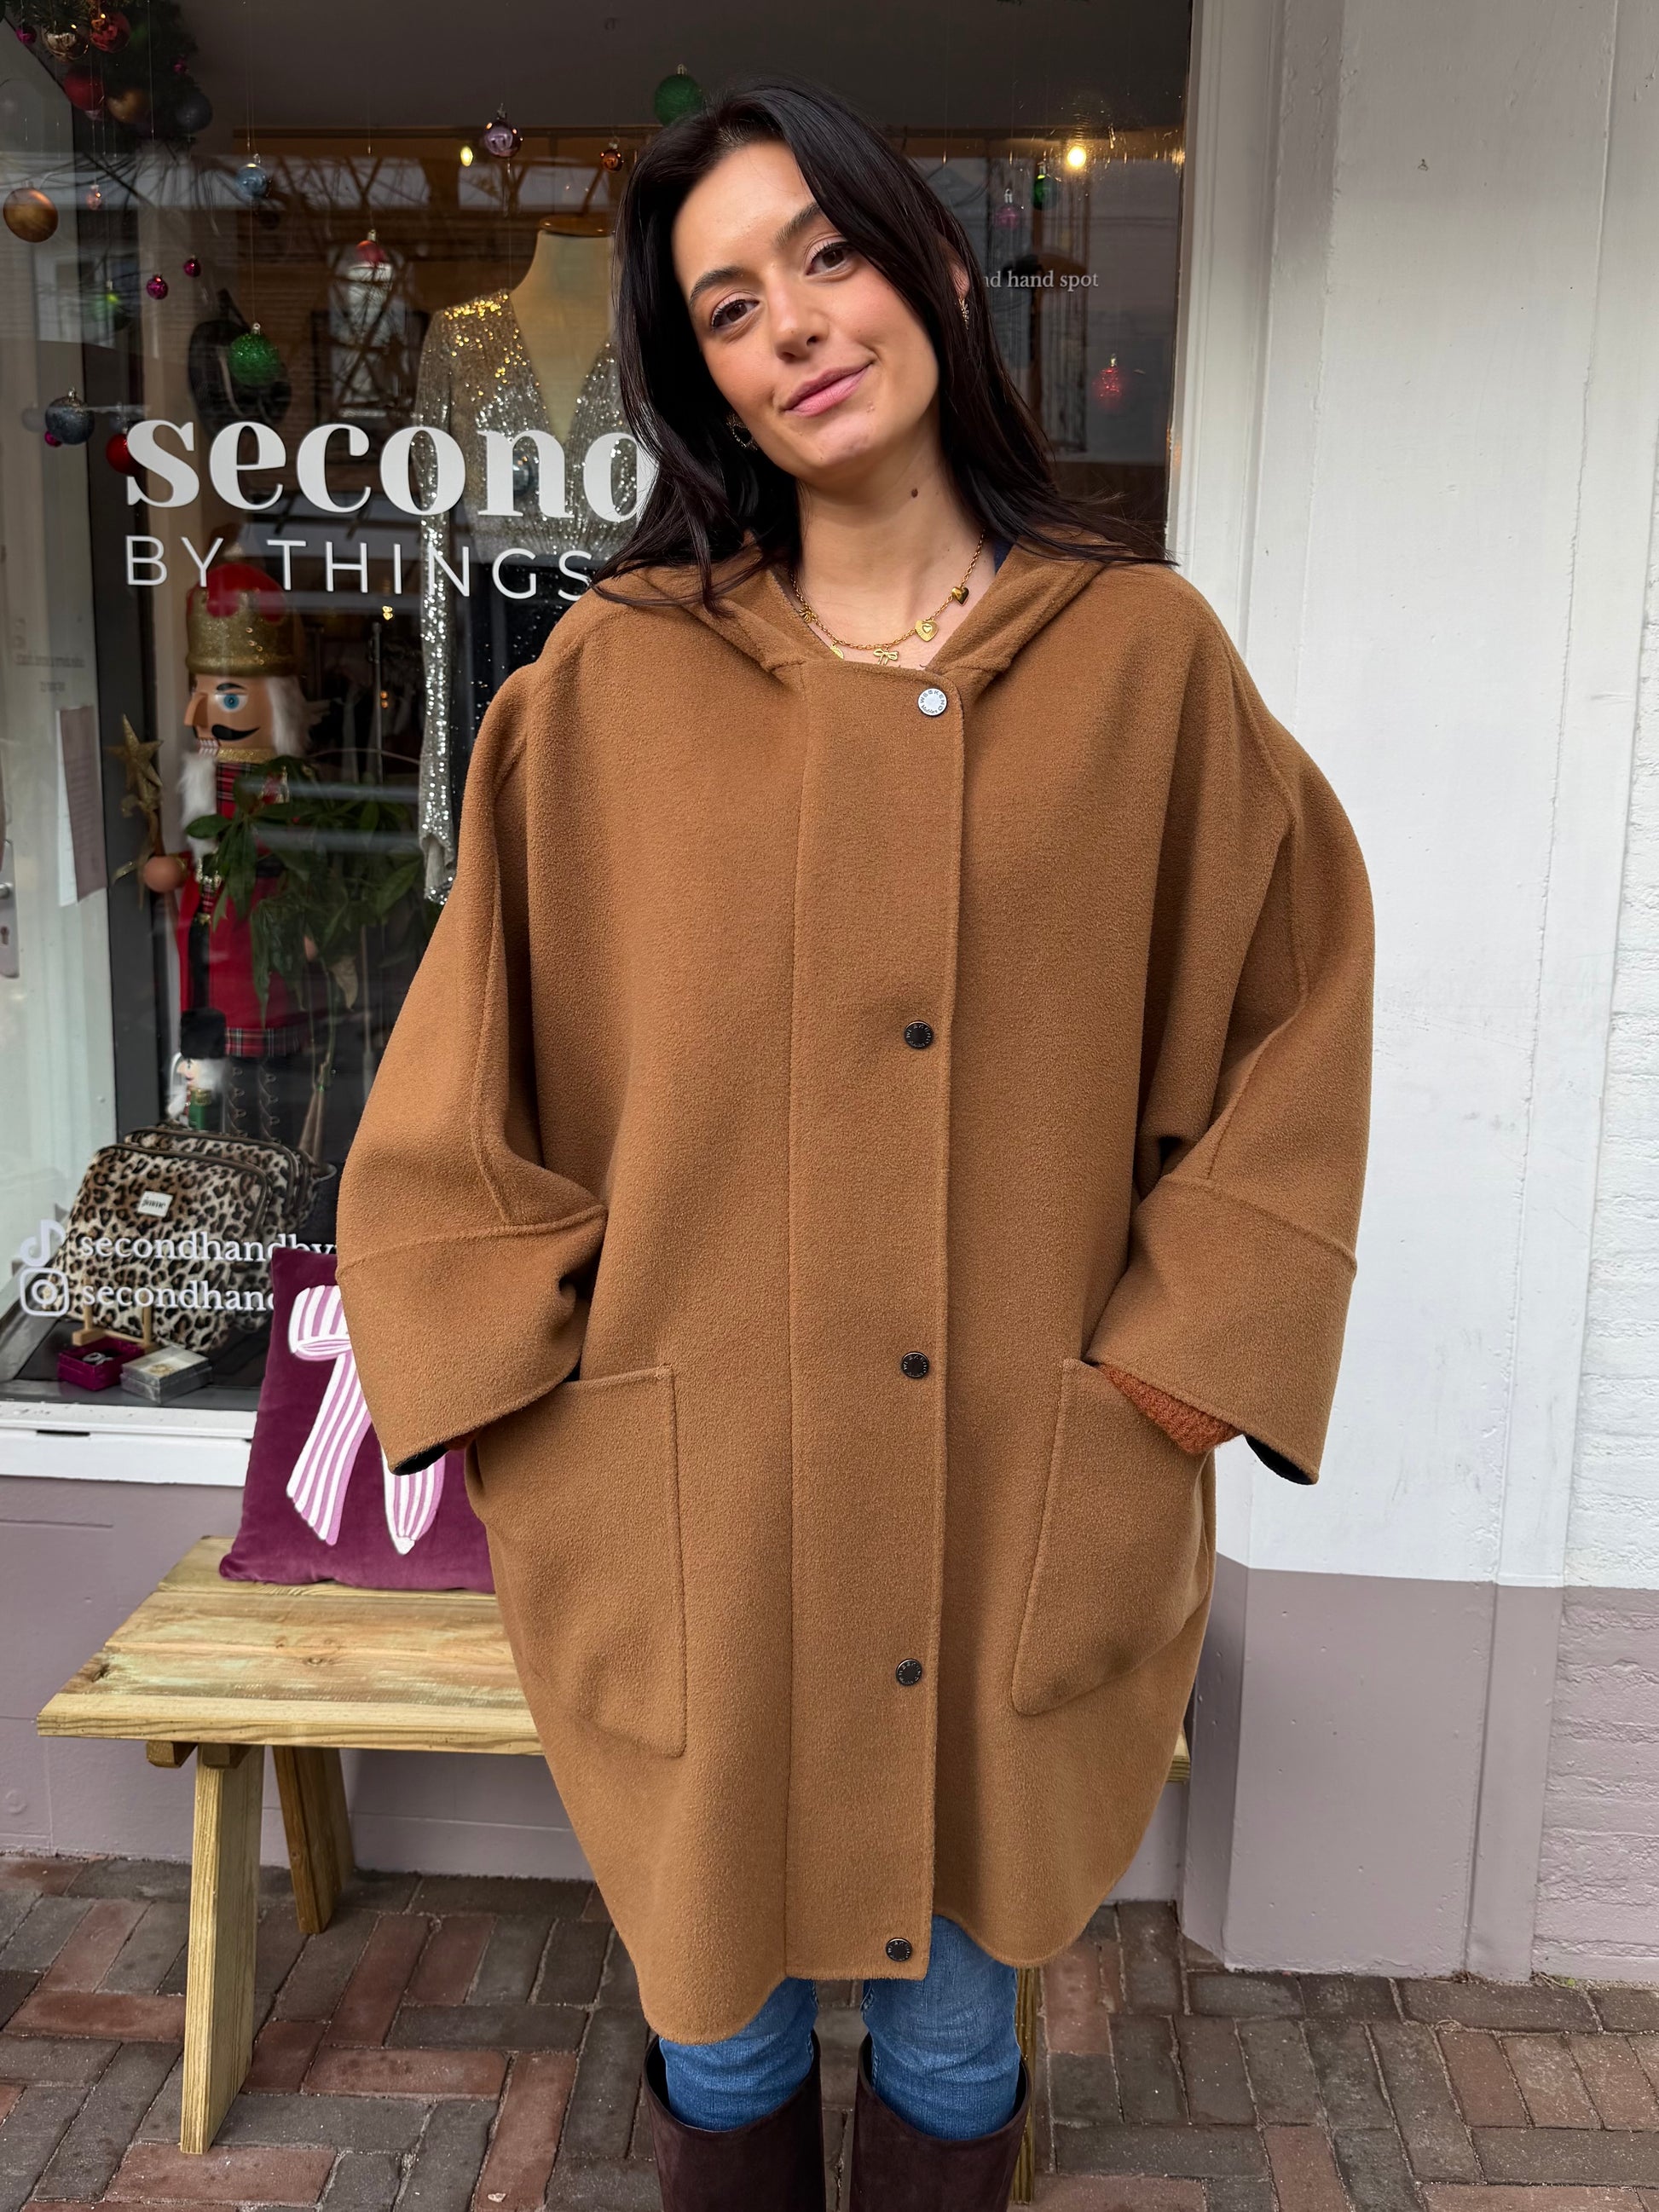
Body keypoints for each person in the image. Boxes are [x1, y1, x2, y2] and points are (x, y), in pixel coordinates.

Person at [334, 78, 1373, 2212]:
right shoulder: (607, 689)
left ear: (936, 270)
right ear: (700, 376)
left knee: (961, 2022)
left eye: (826, 254)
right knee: (713, 2023)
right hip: (694, 1501)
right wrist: (519, 1398)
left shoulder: (1144, 664)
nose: (794, 323)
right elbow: (461, 1083)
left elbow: (1301, 1006)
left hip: (1015, 1481)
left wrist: (1191, 1352)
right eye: (729, 305)